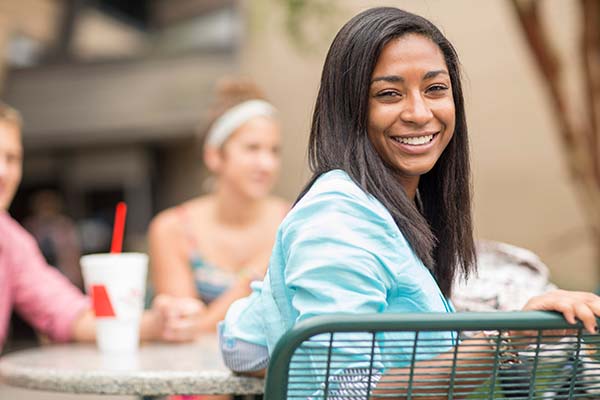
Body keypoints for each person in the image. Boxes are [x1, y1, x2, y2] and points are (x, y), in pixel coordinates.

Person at [218, 7, 600, 397]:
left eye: (435, 89)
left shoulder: (387, 209)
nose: (419, 113)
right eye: (388, 93)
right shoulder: (336, 219)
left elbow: (243, 346)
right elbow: (349, 392)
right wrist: (505, 338)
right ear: (350, 109)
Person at [0, 101, 168, 353]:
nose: (3, 171)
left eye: (12, 158)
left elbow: (65, 312)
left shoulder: (10, 239)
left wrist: (156, 324)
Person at [148, 78, 289, 342]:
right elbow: (183, 329)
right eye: (252, 148)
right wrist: (254, 275)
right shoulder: (173, 229)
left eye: (274, 150)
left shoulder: (295, 220)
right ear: (214, 156)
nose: (266, 164)